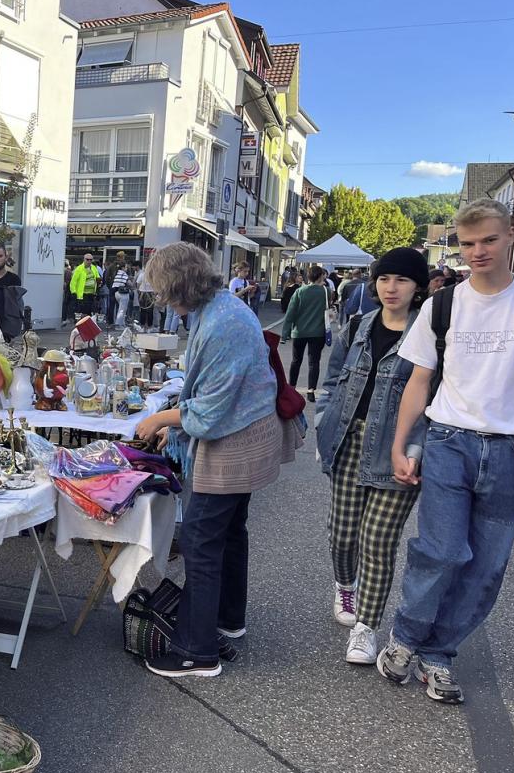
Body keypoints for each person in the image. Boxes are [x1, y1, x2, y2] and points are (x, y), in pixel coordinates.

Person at [379, 199, 514, 705]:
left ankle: (439, 654)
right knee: (439, 551)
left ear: (510, 239)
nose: (477, 251)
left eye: (487, 240)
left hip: (513, 449)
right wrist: (399, 443)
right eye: (467, 243)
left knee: (486, 564)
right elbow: (419, 379)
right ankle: (407, 635)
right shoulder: (444, 304)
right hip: (448, 442)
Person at [134, 242, 294, 678]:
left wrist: (162, 419)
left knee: (202, 539)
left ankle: (196, 650)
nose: (162, 300)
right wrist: (177, 424)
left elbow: (212, 409)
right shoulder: (220, 309)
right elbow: (212, 396)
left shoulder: (223, 322)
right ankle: (227, 618)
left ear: (180, 285)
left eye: (162, 291)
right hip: (243, 432)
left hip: (235, 441)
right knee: (229, 532)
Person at [316, 248, 429, 665]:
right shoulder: (357, 326)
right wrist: (323, 423)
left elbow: (433, 402)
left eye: (401, 280)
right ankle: (345, 584)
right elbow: (330, 381)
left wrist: (417, 450)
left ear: (418, 286)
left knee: (377, 541)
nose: (391, 287)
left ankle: (366, 628)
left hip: (397, 451)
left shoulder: (429, 335)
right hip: (348, 440)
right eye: (384, 279)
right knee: (342, 535)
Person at [281, 265, 332, 402]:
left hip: (299, 331)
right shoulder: (326, 291)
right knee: (314, 361)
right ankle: (311, 391)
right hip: (318, 332)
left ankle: (292, 387)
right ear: (321, 276)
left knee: (296, 360)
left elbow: (290, 313)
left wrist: (285, 334)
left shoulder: (300, 291)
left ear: (307, 277)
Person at [70, 254, 100, 319]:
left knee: (88, 312)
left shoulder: (94, 268)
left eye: (90, 260)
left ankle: (87, 327)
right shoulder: (79, 269)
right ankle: (78, 326)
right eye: (87, 259)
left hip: (91, 294)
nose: (89, 261)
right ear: (84, 259)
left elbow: (98, 277)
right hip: (82, 295)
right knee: (80, 313)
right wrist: (73, 292)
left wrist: (99, 283)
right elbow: (73, 281)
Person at [112, 262, 132, 328]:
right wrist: (132, 285)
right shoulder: (124, 274)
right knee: (122, 310)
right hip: (123, 293)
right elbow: (129, 283)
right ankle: (118, 325)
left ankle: (122, 323)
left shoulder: (117, 273)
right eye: (126, 267)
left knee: (121, 309)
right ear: (123, 268)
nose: (126, 268)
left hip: (116, 293)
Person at [62, 260, 74, 325]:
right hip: (68, 290)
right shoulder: (69, 272)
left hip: (65, 290)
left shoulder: (63, 271)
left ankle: (64, 318)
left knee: (64, 304)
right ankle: (67, 318)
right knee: (67, 305)